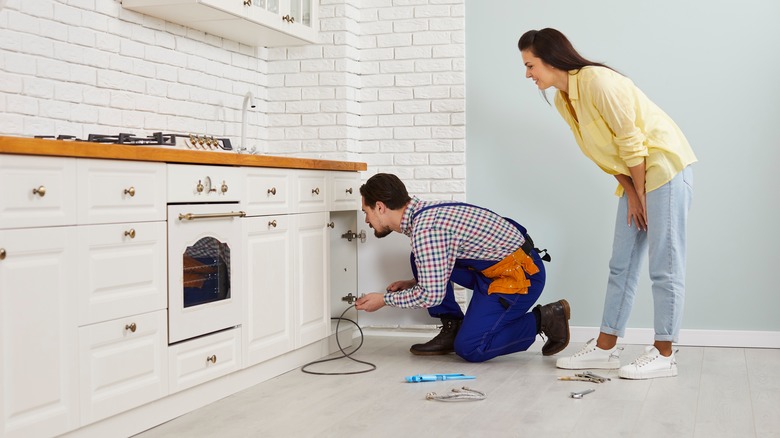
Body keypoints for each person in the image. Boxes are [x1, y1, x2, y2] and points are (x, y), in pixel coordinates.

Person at [518, 28, 697, 379]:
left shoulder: (597, 81)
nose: (527, 74)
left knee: (664, 264)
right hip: (637, 177)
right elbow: (601, 154)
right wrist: (632, 193)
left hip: (664, 167)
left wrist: (643, 193)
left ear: (550, 59)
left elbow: (631, 141)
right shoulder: (562, 99)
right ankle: (606, 347)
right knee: (621, 264)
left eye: (530, 65)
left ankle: (665, 352)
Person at [355, 172, 570, 363]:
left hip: (519, 277)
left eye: (366, 211)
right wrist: (417, 281)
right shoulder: (424, 213)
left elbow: (431, 297)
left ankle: (545, 319)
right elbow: (437, 260)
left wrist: (383, 300)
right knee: (418, 258)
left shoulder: (426, 230)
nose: (366, 219)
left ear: (381, 207)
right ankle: (454, 328)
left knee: (471, 348)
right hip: (495, 268)